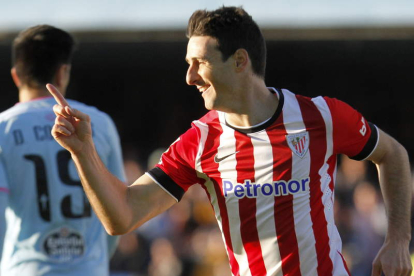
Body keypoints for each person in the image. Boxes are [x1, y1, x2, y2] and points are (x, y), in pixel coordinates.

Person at [47, 6, 412, 276]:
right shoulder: (200, 141)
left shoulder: (320, 116)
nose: (189, 77)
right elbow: (123, 215)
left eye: (199, 63)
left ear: (240, 61)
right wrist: (83, 151)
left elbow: (392, 154)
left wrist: (397, 240)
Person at [0, 25, 126, 275]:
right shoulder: (99, 123)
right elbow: (119, 208)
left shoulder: (3, 128)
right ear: (63, 72)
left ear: (16, 76)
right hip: (89, 269)